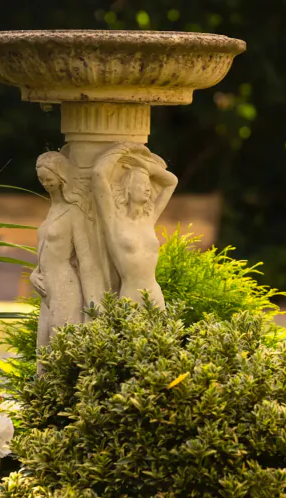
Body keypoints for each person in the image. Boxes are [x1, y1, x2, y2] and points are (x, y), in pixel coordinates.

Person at [31, 151, 103, 360]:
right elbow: (46, 251)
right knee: (43, 352)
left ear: (61, 177)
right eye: (41, 179)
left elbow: (85, 259)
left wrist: (92, 301)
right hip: (47, 289)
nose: (45, 184)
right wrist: (34, 273)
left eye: (49, 179)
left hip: (65, 285)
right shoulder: (53, 209)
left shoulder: (74, 212)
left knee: (61, 351)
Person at [92, 146, 178, 309]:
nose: (147, 188)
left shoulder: (149, 217)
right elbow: (98, 174)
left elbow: (171, 182)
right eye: (141, 184)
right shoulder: (113, 219)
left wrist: (148, 167)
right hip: (131, 297)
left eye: (148, 184)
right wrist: (122, 149)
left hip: (156, 295)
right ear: (128, 188)